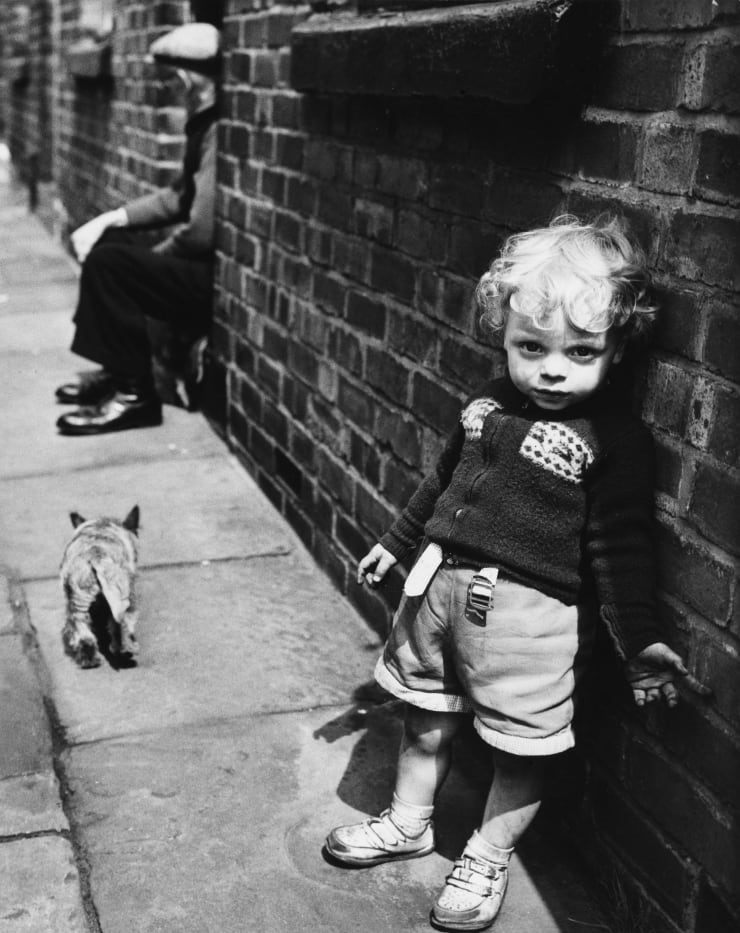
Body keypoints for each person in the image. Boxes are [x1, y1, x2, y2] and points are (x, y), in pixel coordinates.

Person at [324, 216, 710, 932]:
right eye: (531, 347)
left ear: (617, 347)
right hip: (437, 594)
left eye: (580, 351)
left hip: (533, 620)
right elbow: (440, 480)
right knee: (425, 720)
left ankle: (488, 853)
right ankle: (408, 819)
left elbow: (622, 551)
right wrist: (397, 540)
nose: (552, 368)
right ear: (502, 333)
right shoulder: (486, 403)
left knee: (520, 748)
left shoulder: (611, 440)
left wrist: (642, 643)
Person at [55, 22, 221, 435]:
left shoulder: (217, 130)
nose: (170, 89)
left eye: (169, 79)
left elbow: (201, 229)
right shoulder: (204, 123)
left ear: (184, 77)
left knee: (113, 265)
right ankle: (120, 372)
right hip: (202, 275)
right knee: (110, 247)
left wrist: (155, 258)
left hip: (213, 284)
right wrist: (110, 219)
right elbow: (180, 196)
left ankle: (136, 397)